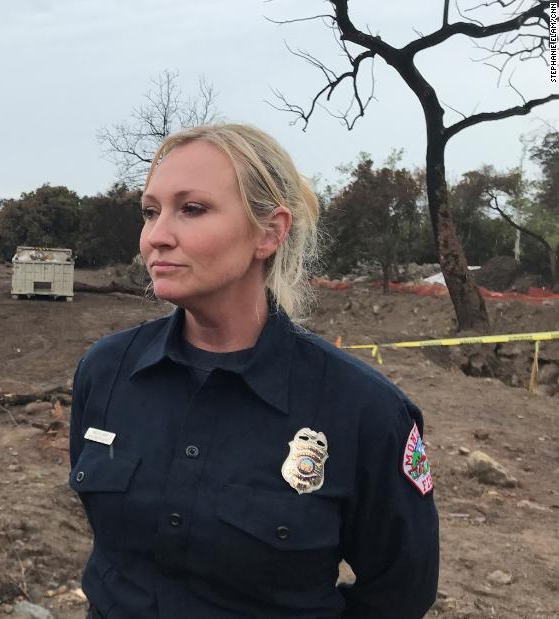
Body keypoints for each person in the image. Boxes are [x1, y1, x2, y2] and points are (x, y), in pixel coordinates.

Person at [69, 123, 438, 618]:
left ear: (269, 232)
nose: (156, 237)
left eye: (192, 209)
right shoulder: (106, 371)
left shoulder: (365, 410)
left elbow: (399, 593)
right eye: (150, 212)